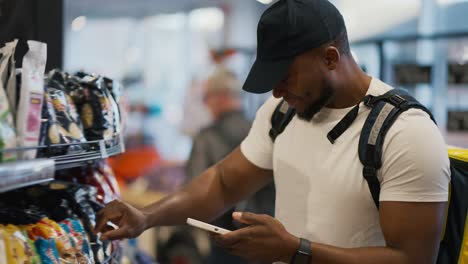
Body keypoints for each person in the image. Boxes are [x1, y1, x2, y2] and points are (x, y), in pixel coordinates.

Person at [95, 1, 450, 263]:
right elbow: (223, 183)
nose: (277, 92)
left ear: (330, 58)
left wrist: (297, 251)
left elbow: (411, 259)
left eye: (285, 77)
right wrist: (148, 217)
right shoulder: (282, 113)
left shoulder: (404, 133)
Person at [186, 66, 275, 264]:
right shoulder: (263, 132)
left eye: (206, 97)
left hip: (227, 241)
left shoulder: (206, 138)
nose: (205, 104)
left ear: (220, 97)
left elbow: (193, 191)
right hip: (269, 239)